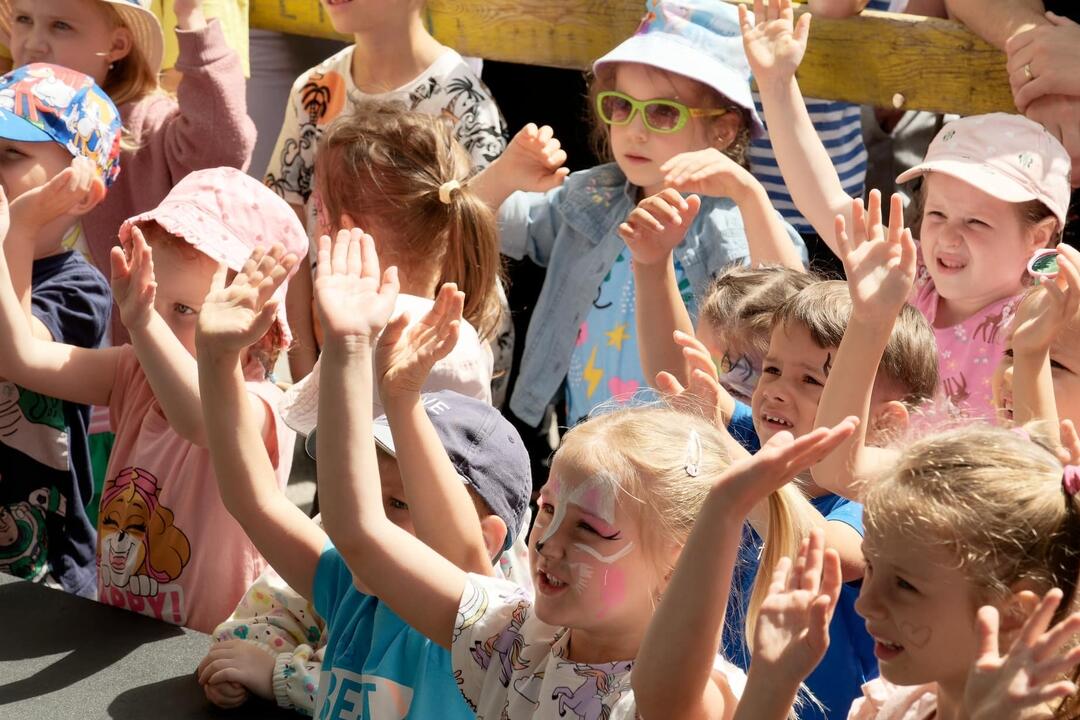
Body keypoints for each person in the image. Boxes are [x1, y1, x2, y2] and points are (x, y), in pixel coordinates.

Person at [294, 227, 774, 718]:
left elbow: (671, 699)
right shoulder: (515, 639)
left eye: (589, 526)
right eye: (547, 510)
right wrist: (349, 348)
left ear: (679, 562)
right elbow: (359, 532)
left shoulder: (665, 696)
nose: (546, 543)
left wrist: (722, 520)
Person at [194, 232, 532, 717]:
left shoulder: (483, 625)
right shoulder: (351, 588)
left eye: (398, 504)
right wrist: (218, 358)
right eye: (372, 492)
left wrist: (355, 350)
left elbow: (422, 545)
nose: (371, 514)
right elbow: (254, 500)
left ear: (488, 537)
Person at [471, 0, 806, 432]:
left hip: (681, 457)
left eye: (663, 111)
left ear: (723, 129)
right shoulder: (593, 197)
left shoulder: (735, 222)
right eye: (621, 105)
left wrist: (749, 193)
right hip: (582, 441)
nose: (635, 129)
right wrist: (503, 175)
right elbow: (481, 223)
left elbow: (794, 307)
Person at [0, 166, 304, 632]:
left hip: (210, 651)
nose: (158, 321)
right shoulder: (133, 372)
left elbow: (201, 421)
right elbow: (21, 356)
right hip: (119, 631)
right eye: (150, 294)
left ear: (259, 325)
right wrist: (17, 233)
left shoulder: (264, 407)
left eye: (184, 310)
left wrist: (142, 321)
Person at [743, 0, 1072, 419]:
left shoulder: (1046, 320)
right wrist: (776, 84)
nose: (949, 236)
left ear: (1038, 238)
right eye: (937, 214)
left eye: (977, 221)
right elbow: (821, 197)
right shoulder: (906, 276)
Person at [734, 423, 1080, 720]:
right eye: (871, 566)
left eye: (904, 584)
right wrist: (773, 682)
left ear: (1014, 614)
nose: (864, 604)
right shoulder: (902, 705)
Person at [264, 0, 507, 384]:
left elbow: (477, 230)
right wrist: (304, 363)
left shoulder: (464, 99)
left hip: (440, 364)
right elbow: (286, 225)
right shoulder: (315, 89)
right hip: (332, 360)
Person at [277, 100, 503, 442]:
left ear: (345, 231)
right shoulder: (463, 333)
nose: (314, 221)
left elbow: (326, 438)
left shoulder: (363, 338)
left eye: (319, 208)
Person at [0, 0, 255, 302]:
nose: (34, 43)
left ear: (117, 44)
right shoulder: (6, 109)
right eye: (24, 19)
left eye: (61, 26)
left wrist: (192, 20)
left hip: (113, 336)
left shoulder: (144, 125)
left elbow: (221, 147)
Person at [0, 64, 121, 598]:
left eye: (12, 155)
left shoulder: (81, 288)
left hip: (40, 562)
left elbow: (12, 349)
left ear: (81, 193)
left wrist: (19, 227)